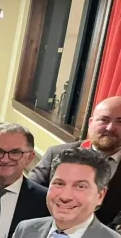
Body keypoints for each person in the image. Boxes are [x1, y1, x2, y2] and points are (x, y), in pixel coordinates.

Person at [29, 96, 121, 224]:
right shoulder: (56, 153)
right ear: (90, 123)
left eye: (120, 122)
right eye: (104, 120)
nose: (110, 127)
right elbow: (30, 196)